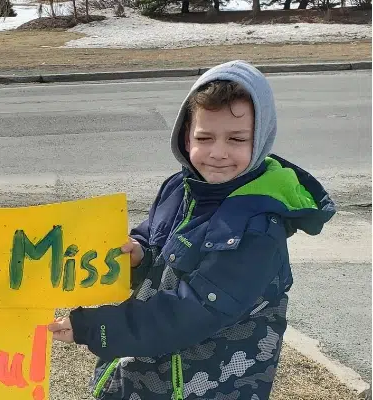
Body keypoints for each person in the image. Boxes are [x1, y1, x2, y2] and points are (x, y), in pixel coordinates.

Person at [47, 60, 336, 399]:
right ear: (186, 136)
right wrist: (140, 255)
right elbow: (155, 243)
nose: (218, 153)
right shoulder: (180, 187)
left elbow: (192, 311)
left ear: (260, 140)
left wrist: (97, 327)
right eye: (205, 137)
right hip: (149, 372)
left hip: (205, 386)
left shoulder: (257, 229)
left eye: (237, 139)